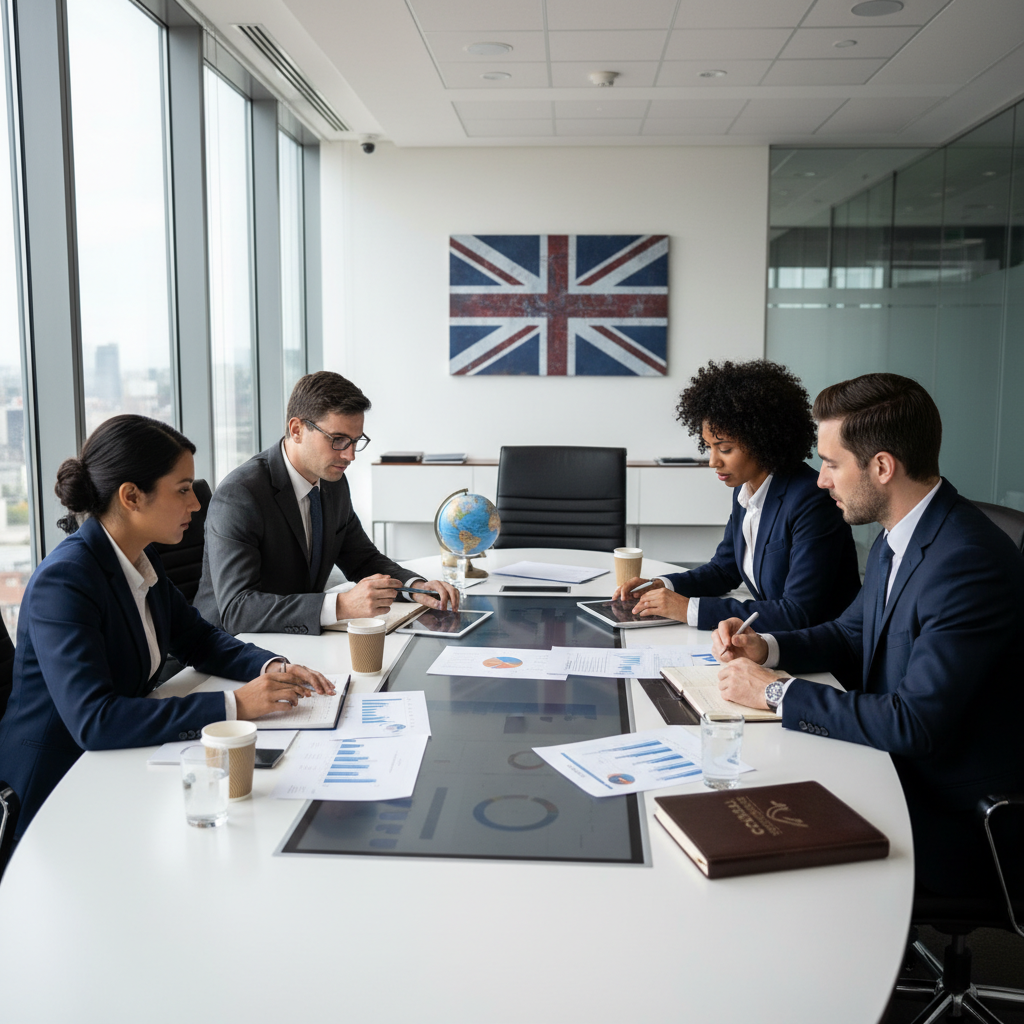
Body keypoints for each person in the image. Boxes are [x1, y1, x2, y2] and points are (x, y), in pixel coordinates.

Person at [713, 373, 1024, 896]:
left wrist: (772, 691)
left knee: (751, 847)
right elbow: (852, 632)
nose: (820, 480)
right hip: (891, 769)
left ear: (882, 467)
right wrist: (766, 646)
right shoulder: (899, 533)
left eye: (832, 464)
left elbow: (913, 723)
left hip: (955, 812)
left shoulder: (967, 562)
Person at [0, 415, 335, 839]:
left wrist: (270, 668)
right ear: (131, 497)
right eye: (182, 491)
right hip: (53, 793)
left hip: (120, 765)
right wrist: (235, 706)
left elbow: (198, 638)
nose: (196, 505)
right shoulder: (64, 581)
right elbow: (95, 720)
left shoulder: (140, 556)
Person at [195, 371, 458, 635]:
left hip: (296, 638)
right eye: (338, 440)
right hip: (228, 649)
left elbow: (362, 559)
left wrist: (414, 587)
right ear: (297, 430)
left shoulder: (333, 482)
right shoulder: (240, 494)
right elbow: (238, 610)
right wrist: (341, 604)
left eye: (355, 441)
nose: (350, 455)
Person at [614, 359, 860, 631]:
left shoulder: (811, 499)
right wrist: (663, 585)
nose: (712, 461)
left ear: (762, 440)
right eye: (709, 447)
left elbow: (797, 612)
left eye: (725, 448)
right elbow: (723, 570)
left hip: (819, 656)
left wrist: (687, 609)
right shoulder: (747, 490)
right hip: (768, 642)